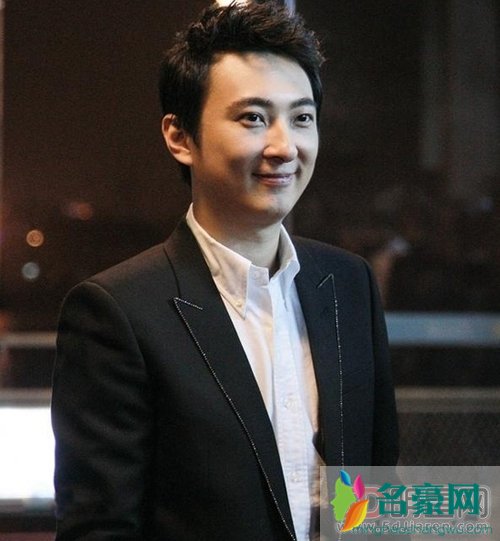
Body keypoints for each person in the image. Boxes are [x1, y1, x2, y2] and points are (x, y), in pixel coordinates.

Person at [51, 2, 399, 540]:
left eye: (302, 118)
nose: (284, 146)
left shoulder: (348, 284)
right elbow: (100, 529)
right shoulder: (117, 311)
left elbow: (376, 491)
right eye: (253, 118)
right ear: (179, 136)